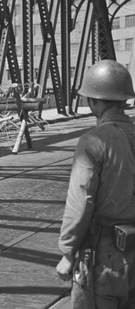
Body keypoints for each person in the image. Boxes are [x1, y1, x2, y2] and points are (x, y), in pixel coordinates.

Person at [56, 60, 135, 308]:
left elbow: (81, 201)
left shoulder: (93, 141)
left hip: (105, 259)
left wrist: (68, 252)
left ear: (93, 101)